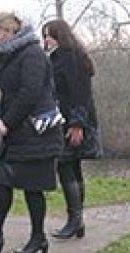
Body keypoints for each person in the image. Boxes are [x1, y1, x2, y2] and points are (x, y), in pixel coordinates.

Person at [0, 12, 64, 253]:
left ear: (10, 32)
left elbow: (30, 93)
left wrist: (7, 121)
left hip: (36, 133)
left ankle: (38, 237)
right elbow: (9, 94)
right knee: (3, 182)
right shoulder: (13, 55)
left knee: (33, 188)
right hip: (19, 133)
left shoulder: (32, 55)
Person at [42, 19, 101, 239]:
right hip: (62, 120)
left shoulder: (70, 57)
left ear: (61, 35)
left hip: (73, 121)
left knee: (66, 166)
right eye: (45, 35)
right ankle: (77, 221)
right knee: (71, 168)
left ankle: (74, 220)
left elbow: (80, 93)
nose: (47, 39)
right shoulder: (57, 57)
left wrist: (77, 124)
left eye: (51, 35)